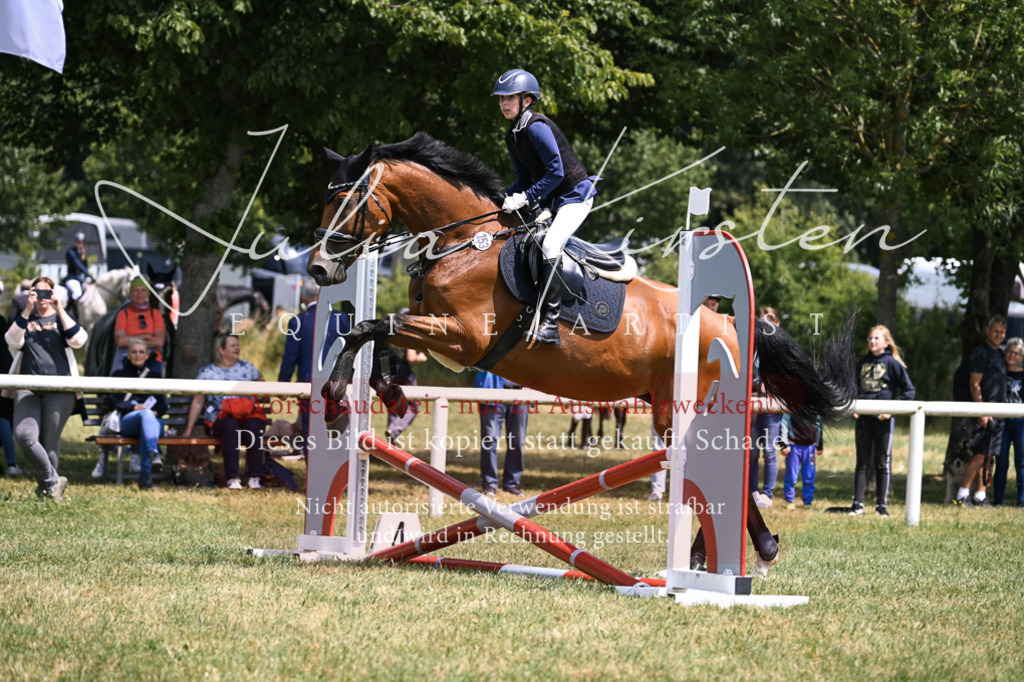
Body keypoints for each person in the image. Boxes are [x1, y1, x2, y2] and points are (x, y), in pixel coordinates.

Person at [493, 68, 598, 347]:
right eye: (501, 98)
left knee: (550, 245)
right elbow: (524, 179)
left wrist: (525, 198)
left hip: (575, 196)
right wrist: (500, 199)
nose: (504, 103)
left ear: (526, 101)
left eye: (510, 98)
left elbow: (556, 173)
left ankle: (551, 324)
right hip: (553, 201)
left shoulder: (536, 127)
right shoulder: (512, 136)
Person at [4, 276, 88, 502]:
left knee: (50, 441)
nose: (42, 297)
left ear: (54, 293)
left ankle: (48, 493)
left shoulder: (62, 317)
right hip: (28, 386)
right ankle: (53, 481)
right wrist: (26, 310)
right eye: (36, 292)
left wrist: (60, 308)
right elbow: (11, 341)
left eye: (46, 292)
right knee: (24, 435)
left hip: (60, 388)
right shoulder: (26, 317)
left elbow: (79, 340)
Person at [183, 334, 267, 490]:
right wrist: (189, 429)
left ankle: (255, 476)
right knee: (230, 427)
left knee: (254, 426)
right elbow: (198, 400)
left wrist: (259, 390)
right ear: (221, 350)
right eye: (233, 345)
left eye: (238, 345)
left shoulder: (247, 367)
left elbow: (262, 383)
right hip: (220, 418)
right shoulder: (207, 373)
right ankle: (232, 477)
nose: (237, 348)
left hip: (246, 413)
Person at [276, 279, 348, 457]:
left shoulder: (297, 321)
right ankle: (336, 465)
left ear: (303, 297)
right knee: (339, 427)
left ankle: (314, 469)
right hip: (338, 383)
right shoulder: (341, 318)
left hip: (309, 382)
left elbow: (290, 357)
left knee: (310, 430)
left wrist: (283, 384)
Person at [851, 325, 916, 516]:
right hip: (863, 419)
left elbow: (909, 391)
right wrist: (853, 406)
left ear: (886, 342)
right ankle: (857, 505)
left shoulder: (892, 363)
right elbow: (851, 387)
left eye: (876, 338)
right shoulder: (862, 363)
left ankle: (881, 506)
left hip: (883, 420)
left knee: (881, 461)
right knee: (862, 462)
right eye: (870, 338)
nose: (872, 341)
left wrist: (891, 410)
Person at [97, 338, 168, 489]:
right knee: (145, 416)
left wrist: (154, 413)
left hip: (153, 422)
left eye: (141, 352)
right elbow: (113, 401)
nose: (138, 355)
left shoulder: (155, 376)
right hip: (128, 421)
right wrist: (133, 407)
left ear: (147, 355)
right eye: (134, 352)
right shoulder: (119, 374)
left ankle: (146, 476)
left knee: (147, 421)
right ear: (128, 355)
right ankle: (152, 457)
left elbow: (163, 404)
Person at [954, 316, 1008, 507]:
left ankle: (980, 495)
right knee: (980, 455)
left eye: (1002, 332)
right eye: (995, 331)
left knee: (988, 455)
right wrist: (982, 412)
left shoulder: (1000, 354)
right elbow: (974, 383)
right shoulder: (981, 352)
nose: (998, 335)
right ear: (987, 331)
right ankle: (961, 495)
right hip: (985, 412)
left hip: (999, 413)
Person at [749, 307, 783, 508]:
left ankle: (768, 494)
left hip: (772, 404)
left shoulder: (782, 348)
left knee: (769, 450)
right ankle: (753, 491)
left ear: (777, 324)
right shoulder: (752, 346)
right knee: (752, 450)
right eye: (762, 321)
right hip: (753, 402)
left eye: (770, 321)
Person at [476, 371, 529, 496]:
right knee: (489, 441)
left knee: (517, 441)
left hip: (520, 393)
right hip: (492, 391)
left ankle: (511, 483)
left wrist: (531, 384)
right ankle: (489, 484)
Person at [993, 337, 1024, 507]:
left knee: (1022, 462)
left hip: (1020, 422)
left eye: (1016, 353)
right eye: (1010, 351)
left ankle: (1022, 500)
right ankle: (998, 500)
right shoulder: (999, 372)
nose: (1012, 355)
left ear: (1020, 357)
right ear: (1005, 352)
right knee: (1001, 462)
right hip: (1002, 422)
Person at [112, 276, 166, 371]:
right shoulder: (123, 314)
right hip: (125, 358)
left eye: (143, 290)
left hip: (152, 360)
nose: (140, 294)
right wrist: (146, 336)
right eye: (136, 290)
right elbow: (121, 341)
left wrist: (131, 340)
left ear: (148, 293)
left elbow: (159, 342)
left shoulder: (156, 314)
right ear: (131, 292)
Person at [385, 345, 427, 444]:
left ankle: (392, 432)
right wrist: (420, 357)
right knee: (413, 406)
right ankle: (395, 429)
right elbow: (411, 357)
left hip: (389, 371)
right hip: (403, 374)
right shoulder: (406, 337)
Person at [780, 413, 822, 510]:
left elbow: (819, 426)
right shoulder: (791, 407)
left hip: (810, 447)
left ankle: (808, 501)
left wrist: (819, 444)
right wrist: (784, 444)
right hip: (794, 447)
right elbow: (784, 424)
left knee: (809, 476)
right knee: (791, 476)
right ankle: (789, 500)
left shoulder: (815, 408)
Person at [0, 310, 24, 476]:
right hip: (6, 376)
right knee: (3, 420)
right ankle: (12, 463)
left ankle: (11, 463)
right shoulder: (2, 322)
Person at [64, 231, 91, 302]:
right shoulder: (71, 252)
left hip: (80, 278)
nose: (81, 244)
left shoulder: (82, 252)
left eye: (82, 242)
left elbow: (85, 264)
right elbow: (78, 265)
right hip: (72, 278)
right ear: (75, 242)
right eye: (79, 242)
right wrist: (88, 274)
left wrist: (86, 275)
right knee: (77, 293)